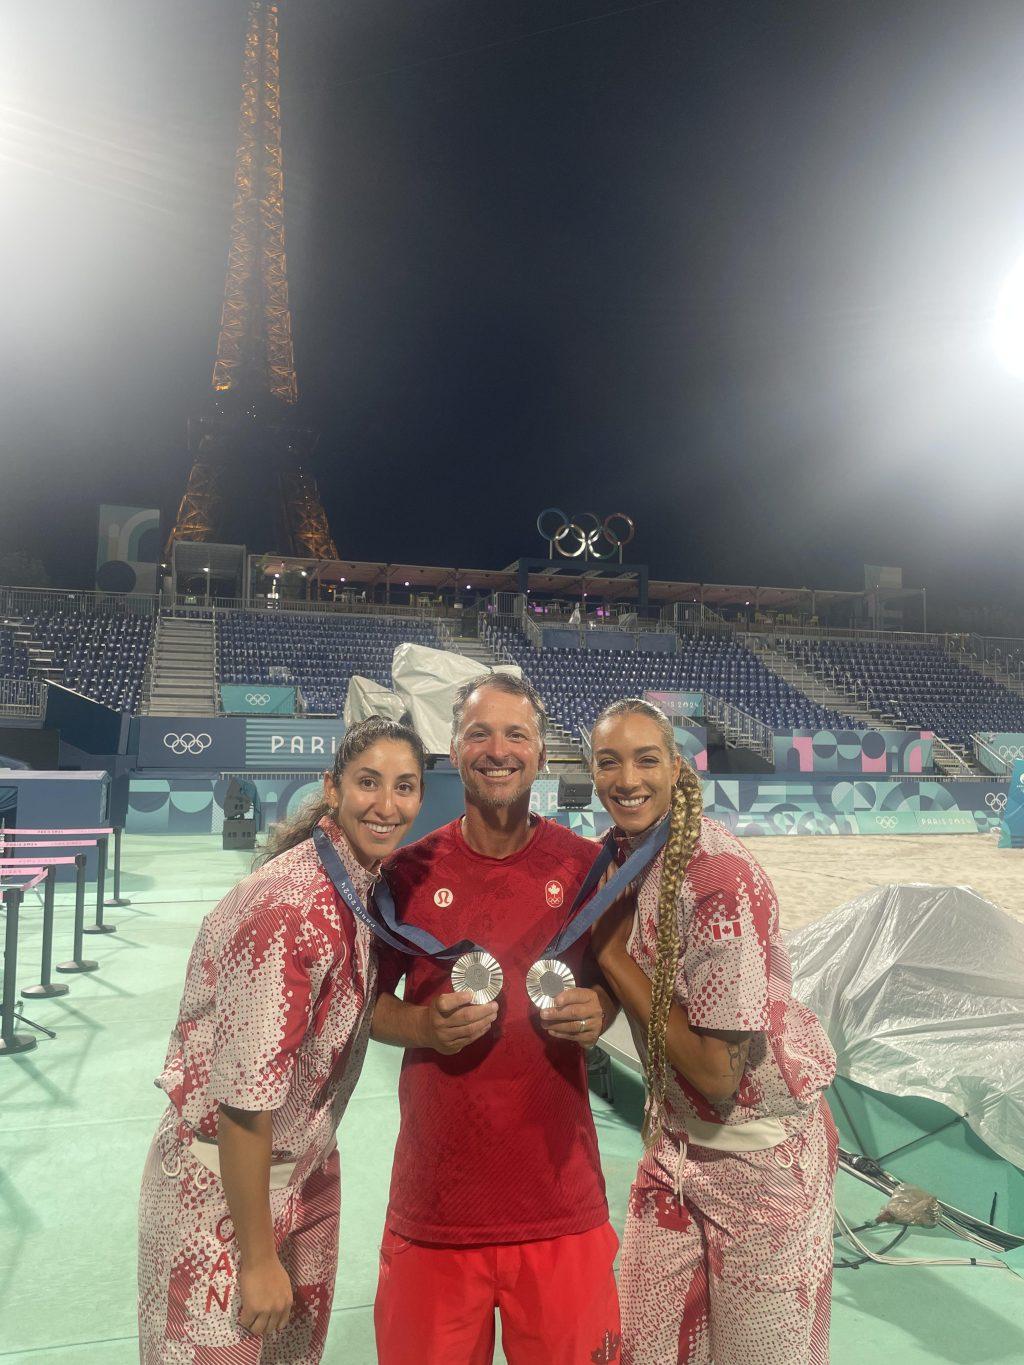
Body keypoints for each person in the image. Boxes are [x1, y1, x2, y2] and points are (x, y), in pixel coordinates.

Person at [137, 716, 426, 1364]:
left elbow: (343, 1009)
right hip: (225, 1187)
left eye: (404, 786)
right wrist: (258, 1256)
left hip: (307, 1169)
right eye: (368, 782)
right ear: (332, 787)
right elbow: (243, 1100)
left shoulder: (361, 887)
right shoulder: (288, 906)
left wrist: (428, 1027)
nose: (387, 804)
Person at [371, 672, 622, 1365]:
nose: (497, 749)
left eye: (517, 734)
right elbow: (363, 1005)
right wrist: (421, 1027)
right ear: (453, 750)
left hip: (559, 1201)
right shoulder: (407, 872)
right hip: (437, 1207)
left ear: (542, 754)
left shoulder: (585, 866)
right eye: (479, 732)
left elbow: (618, 979)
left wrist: (600, 1005)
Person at [587, 698, 837, 1365]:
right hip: (675, 1150)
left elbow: (718, 1072)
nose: (626, 777)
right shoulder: (617, 858)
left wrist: (610, 956)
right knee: (636, 1347)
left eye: (645, 759)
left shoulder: (720, 879)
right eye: (608, 761)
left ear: (676, 768)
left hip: (763, 1164)